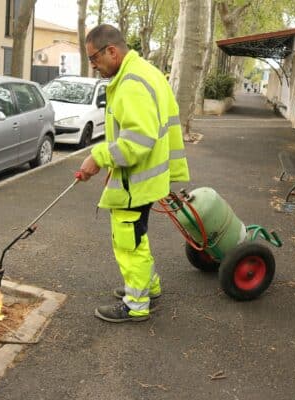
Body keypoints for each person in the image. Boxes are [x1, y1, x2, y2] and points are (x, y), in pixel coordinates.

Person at [77, 24, 190, 323]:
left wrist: (98, 158)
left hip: (136, 182)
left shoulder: (131, 82)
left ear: (111, 51)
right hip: (145, 177)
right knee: (138, 238)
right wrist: (113, 165)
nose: (93, 66)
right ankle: (147, 287)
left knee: (129, 243)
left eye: (94, 58)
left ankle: (136, 305)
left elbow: (137, 141)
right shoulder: (145, 71)